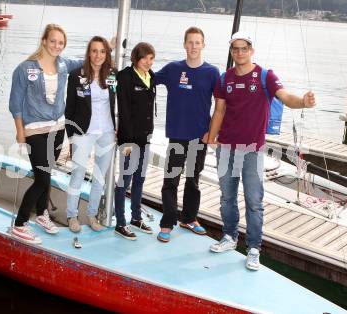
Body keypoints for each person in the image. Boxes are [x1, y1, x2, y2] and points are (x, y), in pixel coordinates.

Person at [206, 31, 316, 270]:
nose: (239, 53)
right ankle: (229, 236)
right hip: (226, 148)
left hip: (252, 151)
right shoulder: (224, 79)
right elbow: (220, 111)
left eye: (243, 48)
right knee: (227, 198)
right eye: (235, 49)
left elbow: (286, 97)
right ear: (231, 52)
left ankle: (254, 248)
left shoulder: (265, 76)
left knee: (254, 201)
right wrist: (211, 136)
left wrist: (303, 102)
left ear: (251, 50)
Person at [8, 24, 82, 244]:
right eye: (53, 41)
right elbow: (15, 102)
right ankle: (20, 224)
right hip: (34, 130)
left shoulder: (63, 65)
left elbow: (87, 60)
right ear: (44, 41)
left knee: (46, 173)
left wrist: (112, 45)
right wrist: (19, 131)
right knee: (41, 178)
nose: (56, 46)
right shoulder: (25, 68)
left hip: (57, 129)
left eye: (61, 43)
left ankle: (41, 214)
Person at [155, 27, 219, 243]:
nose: (193, 46)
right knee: (171, 179)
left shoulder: (212, 73)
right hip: (177, 134)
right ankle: (167, 221)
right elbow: (147, 79)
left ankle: (189, 218)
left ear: (203, 45)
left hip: (199, 136)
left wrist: (212, 131)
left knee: (193, 180)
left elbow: (222, 105)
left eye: (197, 42)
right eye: (190, 42)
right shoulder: (173, 69)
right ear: (184, 44)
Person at [65, 36, 116, 233]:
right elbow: (69, 108)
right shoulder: (77, 74)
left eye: (102, 51)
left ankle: (93, 214)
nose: (98, 55)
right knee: (77, 173)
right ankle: (71, 215)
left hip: (107, 132)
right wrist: (71, 135)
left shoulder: (113, 75)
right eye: (94, 51)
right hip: (82, 132)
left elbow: (117, 103)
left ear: (106, 54)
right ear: (89, 53)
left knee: (100, 177)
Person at [114, 42, 156, 240]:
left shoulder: (151, 77)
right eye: (144, 58)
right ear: (135, 58)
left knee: (140, 179)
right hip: (129, 139)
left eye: (151, 58)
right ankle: (120, 223)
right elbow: (124, 111)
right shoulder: (125, 77)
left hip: (145, 137)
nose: (148, 62)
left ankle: (136, 218)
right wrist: (128, 141)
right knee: (125, 180)